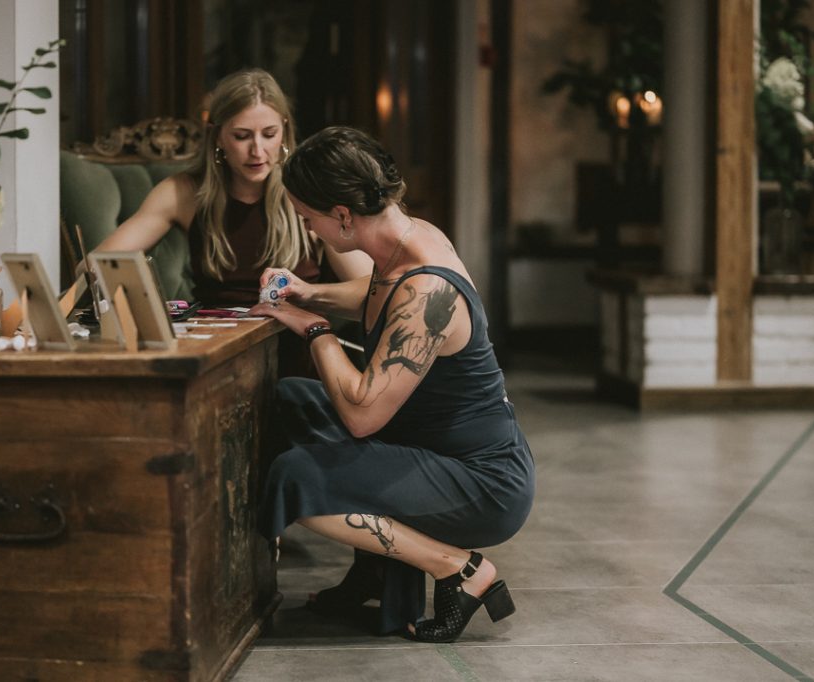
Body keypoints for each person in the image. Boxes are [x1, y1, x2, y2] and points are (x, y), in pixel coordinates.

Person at [249, 127, 535, 642]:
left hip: (482, 482)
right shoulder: (409, 237)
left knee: (297, 477)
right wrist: (309, 292)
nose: (307, 228)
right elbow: (379, 292)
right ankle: (376, 572)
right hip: (428, 445)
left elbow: (362, 414)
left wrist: (314, 330)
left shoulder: (428, 287)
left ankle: (460, 569)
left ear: (342, 215)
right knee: (294, 399)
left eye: (308, 218)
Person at [92, 68, 369, 305]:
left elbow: (371, 286)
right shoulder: (182, 192)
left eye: (269, 134)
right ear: (218, 136)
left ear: (284, 131)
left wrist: (310, 293)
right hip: (217, 342)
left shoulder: (312, 190)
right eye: (241, 136)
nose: (257, 150)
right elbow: (95, 266)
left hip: (296, 340)